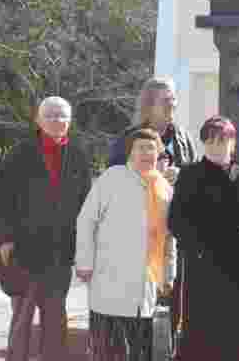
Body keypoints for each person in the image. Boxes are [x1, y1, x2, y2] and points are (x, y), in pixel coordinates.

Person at [0, 96, 93, 361]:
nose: (57, 121)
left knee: (55, 318)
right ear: (38, 119)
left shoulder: (79, 156)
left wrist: (86, 247)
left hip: (59, 252)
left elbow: (86, 205)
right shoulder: (19, 154)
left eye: (62, 116)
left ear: (70, 121)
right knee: (22, 318)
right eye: (50, 115)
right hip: (24, 250)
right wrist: (5, 238)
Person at [75, 128, 177, 360]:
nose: (146, 153)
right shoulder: (112, 178)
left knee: (141, 352)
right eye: (140, 148)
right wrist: (84, 262)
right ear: (130, 152)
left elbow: (170, 237)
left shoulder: (164, 188)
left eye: (152, 148)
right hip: (110, 287)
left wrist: (169, 275)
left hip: (146, 288)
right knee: (110, 352)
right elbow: (86, 220)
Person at [167, 116, 239, 361]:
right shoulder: (190, 174)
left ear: (233, 142)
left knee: (234, 329)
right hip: (201, 266)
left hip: (237, 268)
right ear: (204, 144)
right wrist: (197, 248)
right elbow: (176, 220)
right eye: (211, 141)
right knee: (201, 329)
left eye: (223, 140)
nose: (217, 146)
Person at [108, 77, 196, 169]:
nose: (172, 104)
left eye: (173, 99)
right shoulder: (128, 139)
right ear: (150, 106)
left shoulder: (183, 137)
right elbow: (114, 177)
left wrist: (180, 174)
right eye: (166, 100)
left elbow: (196, 176)